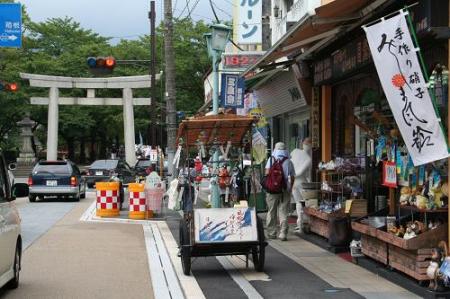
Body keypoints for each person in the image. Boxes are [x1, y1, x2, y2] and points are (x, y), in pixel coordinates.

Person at [265, 142, 295, 241]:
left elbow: (266, 174)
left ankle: (272, 233)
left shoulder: (271, 159)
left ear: (275, 149)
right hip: (285, 189)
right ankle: (283, 233)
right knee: (283, 211)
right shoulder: (289, 162)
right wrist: (290, 188)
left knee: (271, 211)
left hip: (272, 190)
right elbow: (293, 177)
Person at [290, 138, 312, 233]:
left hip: (293, 181)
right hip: (301, 182)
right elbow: (301, 172)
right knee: (304, 202)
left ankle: (300, 223)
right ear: (310, 147)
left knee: (298, 202)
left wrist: (291, 175)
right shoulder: (308, 159)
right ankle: (302, 223)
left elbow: (290, 164)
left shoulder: (294, 152)